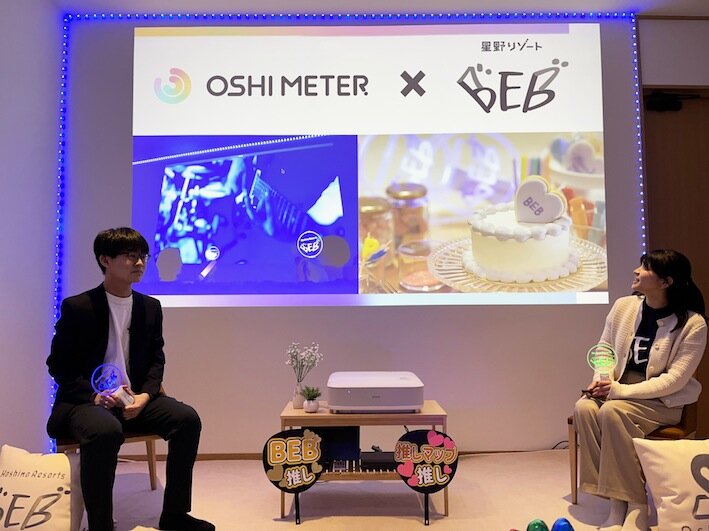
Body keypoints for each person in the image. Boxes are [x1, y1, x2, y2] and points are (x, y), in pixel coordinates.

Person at [47, 227, 215, 531]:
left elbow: (156, 360)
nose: (139, 263)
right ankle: (100, 525)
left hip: (134, 397)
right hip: (87, 401)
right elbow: (58, 365)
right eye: (129, 256)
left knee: (187, 420)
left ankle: (175, 515)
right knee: (105, 431)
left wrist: (145, 396)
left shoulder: (150, 307)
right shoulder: (79, 307)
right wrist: (93, 396)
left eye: (142, 256)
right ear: (105, 260)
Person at [574, 249, 707, 531]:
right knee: (584, 408)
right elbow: (604, 350)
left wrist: (617, 391)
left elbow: (674, 381)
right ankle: (614, 497)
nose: (636, 271)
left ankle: (635, 504)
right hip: (618, 391)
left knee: (613, 412)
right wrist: (602, 380)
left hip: (661, 401)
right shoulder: (624, 306)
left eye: (645, 268)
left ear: (666, 282)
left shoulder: (693, 324)